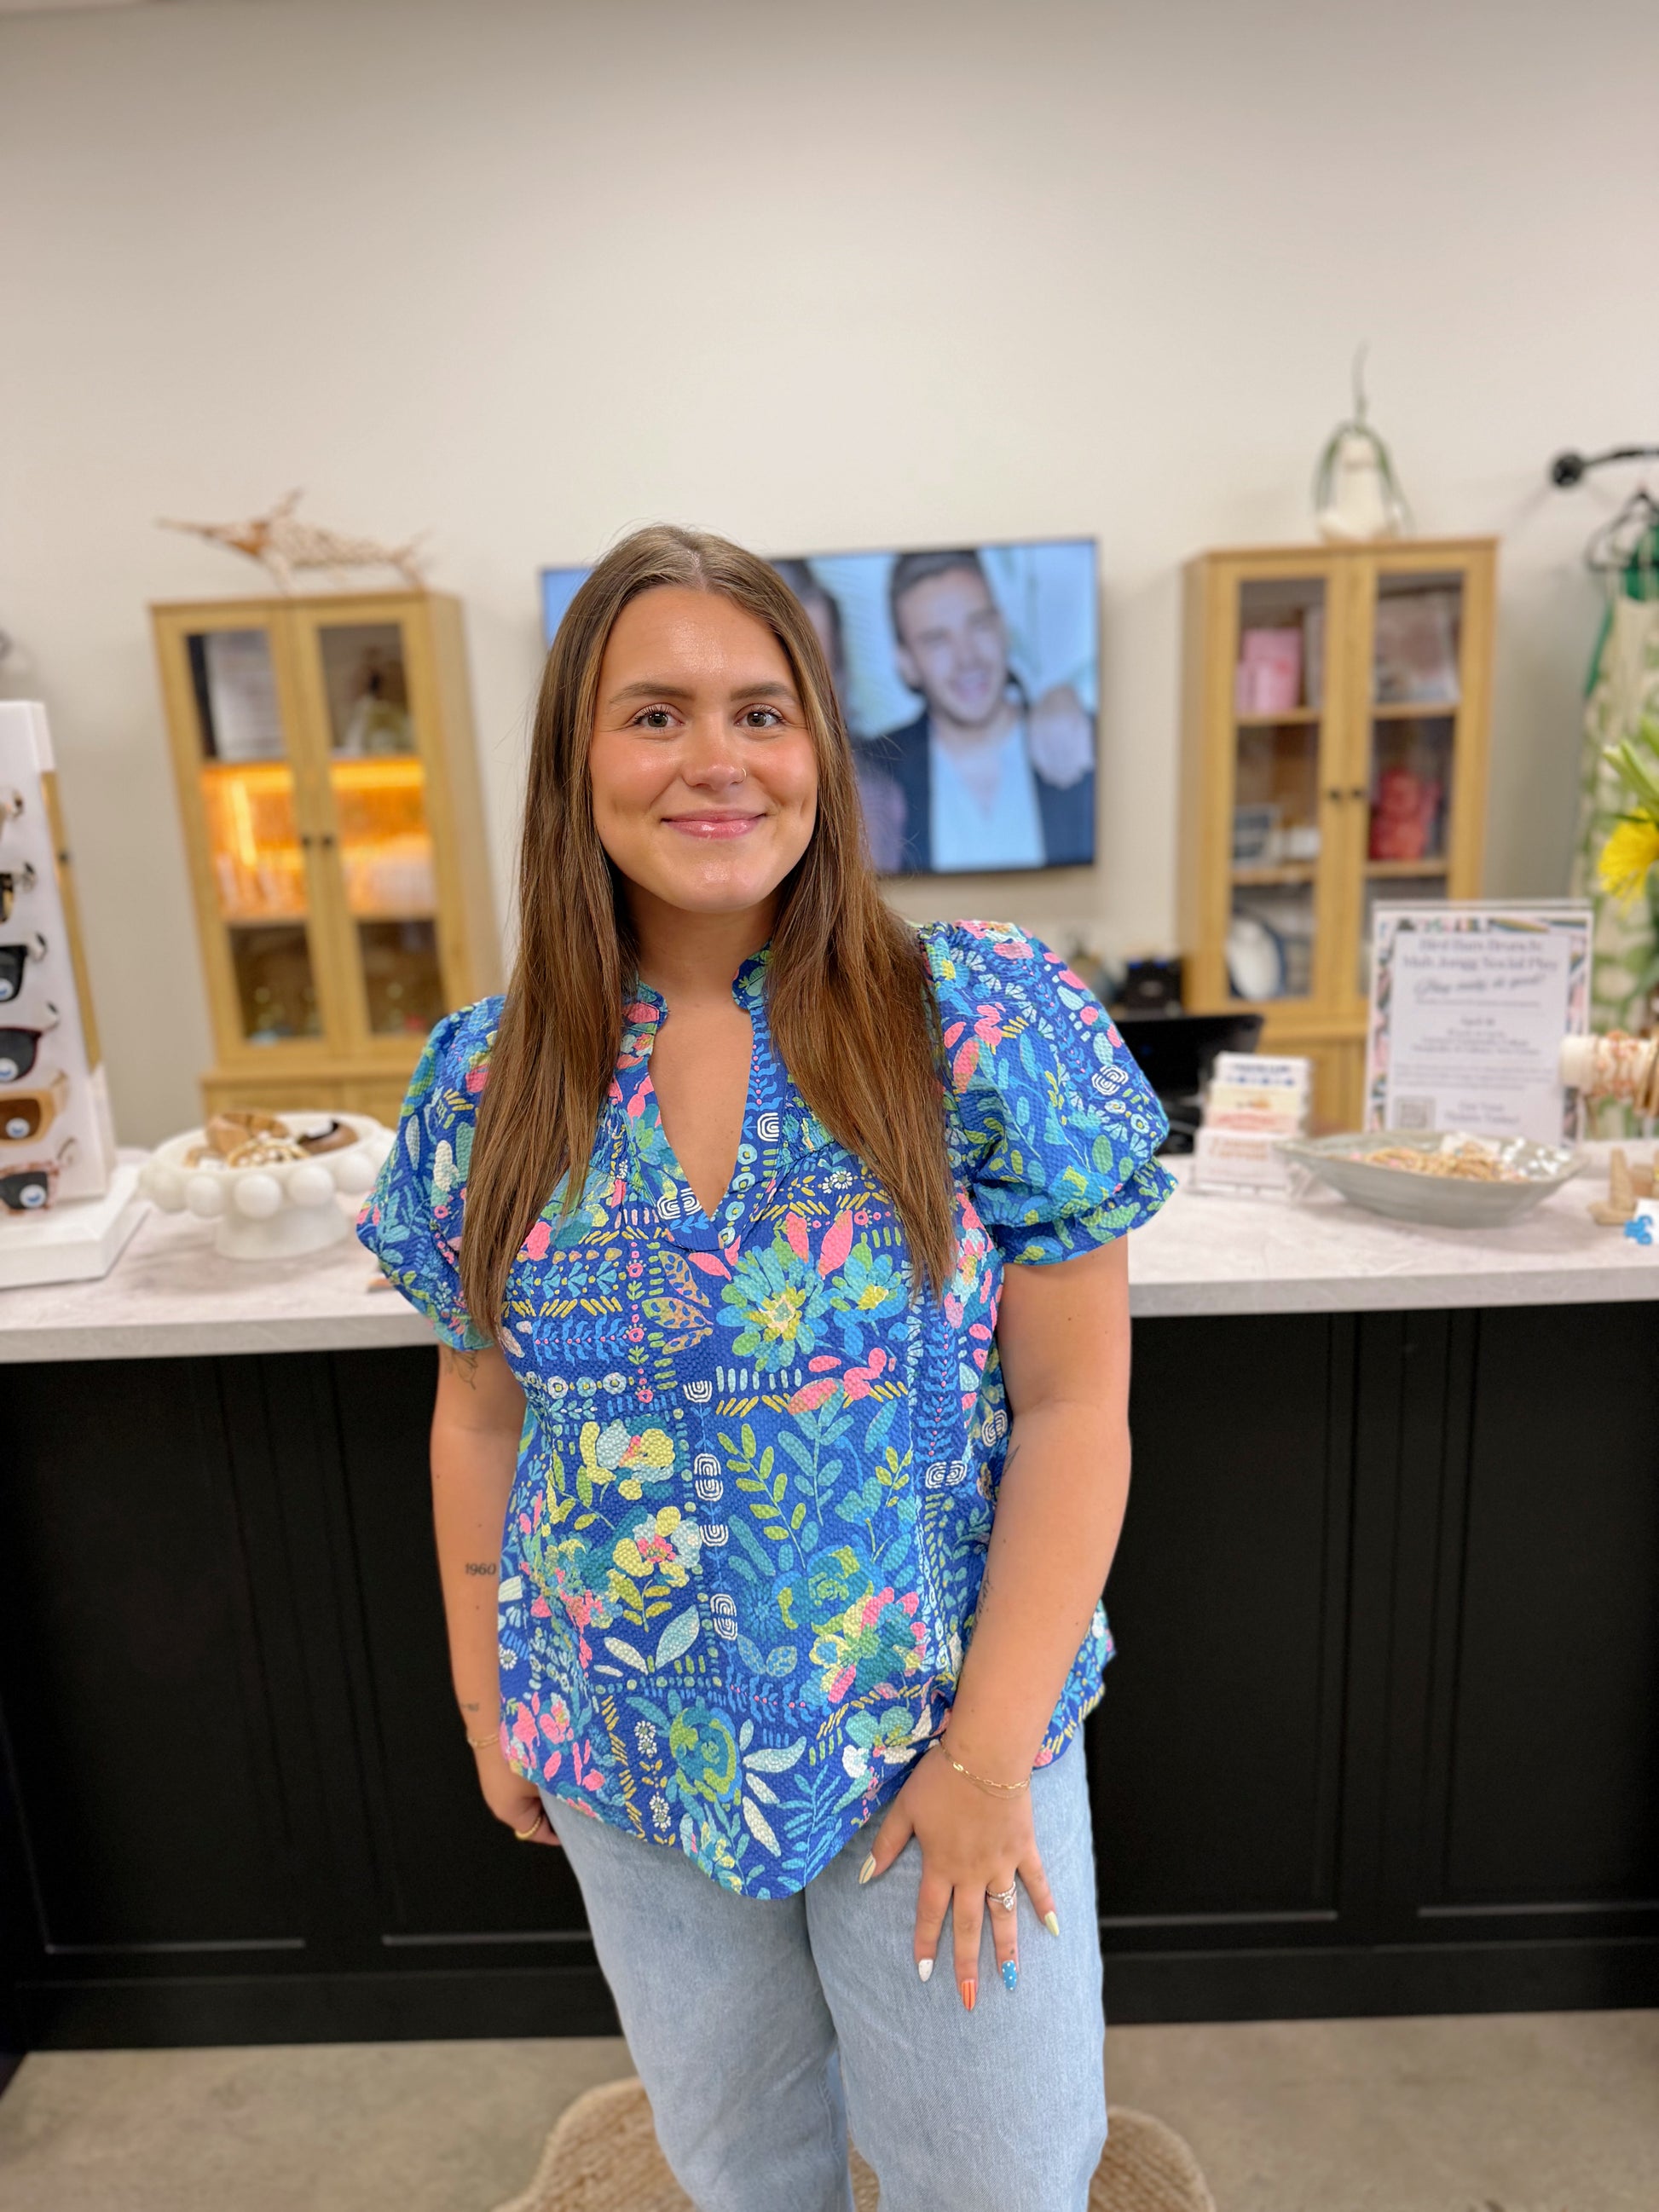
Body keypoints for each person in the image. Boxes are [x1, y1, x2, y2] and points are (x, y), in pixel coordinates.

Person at [358, 524, 1172, 2212]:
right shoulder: (490, 1080)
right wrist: (486, 1702)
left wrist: (985, 1758)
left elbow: (1077, 1408)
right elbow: (480, 1416)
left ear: (823, 750)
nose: (714, 758)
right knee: (738, 2163)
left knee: (1000, 2172)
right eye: (654, 714)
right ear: (577, 760)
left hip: (934, 1730)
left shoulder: (977, 1025)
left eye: (760, 711)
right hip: (626, 1736)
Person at [864, 548, 1095, 873]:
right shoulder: (876, 771)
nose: (967, 658)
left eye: (979, 625)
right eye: (936, 640)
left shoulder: (1080, 740)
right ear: (907, 664)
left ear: (1002, 628)